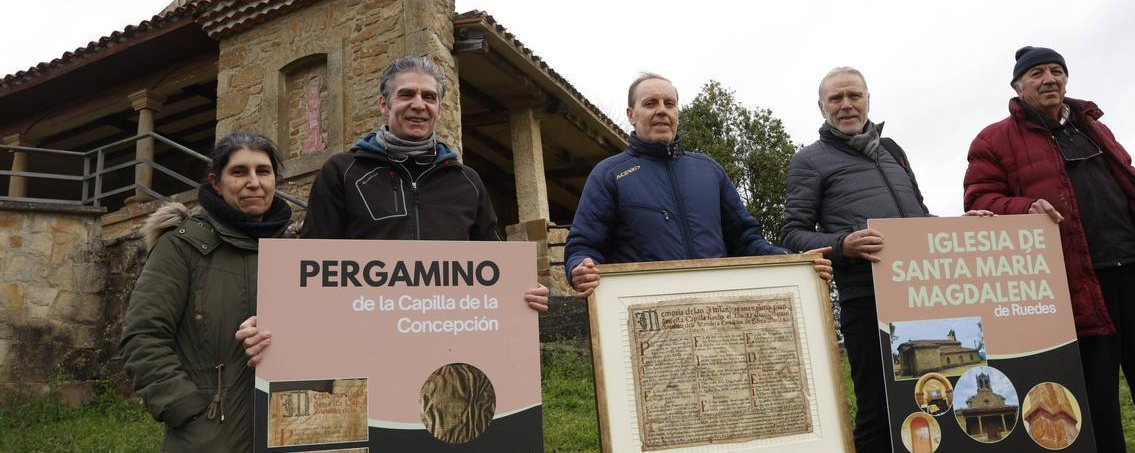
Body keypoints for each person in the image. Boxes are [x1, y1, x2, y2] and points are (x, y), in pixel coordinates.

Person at [964, 46, 1135, 453]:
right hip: (1073, 281)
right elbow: (980, 201)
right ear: (1018, 86)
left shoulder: (1093, 128)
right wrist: (1025, 208)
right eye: (1037, 73)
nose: (1049, 79)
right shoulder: (994, 139)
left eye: (1057, 71)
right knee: (1094, 395)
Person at [239, 56, 548, 364]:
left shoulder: (467, 181)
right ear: (384, 105)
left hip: (450, 344)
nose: (419, 104)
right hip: (361, 347)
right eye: (406, 94)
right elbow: (309, 267)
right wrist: (273, 323)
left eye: (429, 97)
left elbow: (493, 265)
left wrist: (523, 293)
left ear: (439, 109)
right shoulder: (343, 172)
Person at [780, 67, 986, 453]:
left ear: (868, 100)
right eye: (836, 99)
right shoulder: (809, 161)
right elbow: (792, 233)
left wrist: (960, 229)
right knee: (878, 412)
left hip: (923, 295)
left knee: (934, 400)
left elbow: (919, 221)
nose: (846, 105)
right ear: (821, 107)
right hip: (866, 298)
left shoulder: (893, 150)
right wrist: (844, 244)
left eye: (854, 96)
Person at [565, 72, 831, 298]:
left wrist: (793, 261)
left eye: (670, 103)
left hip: (715, 310)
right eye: (650, 103)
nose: (662, 110)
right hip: (645, 313)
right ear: (631, 114)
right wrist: (579, 267)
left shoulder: (708, 170)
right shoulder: (609, 174)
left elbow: (745, 240)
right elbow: (583, 245)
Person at [120, 131, 293, 452]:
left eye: (263, 171)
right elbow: (143, 335)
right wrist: (184, 407)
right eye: (239, 172)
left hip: (285, 430)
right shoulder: (181, 246)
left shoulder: (293, 253)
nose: (254, 182)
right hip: (209, 435)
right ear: (216, 183)